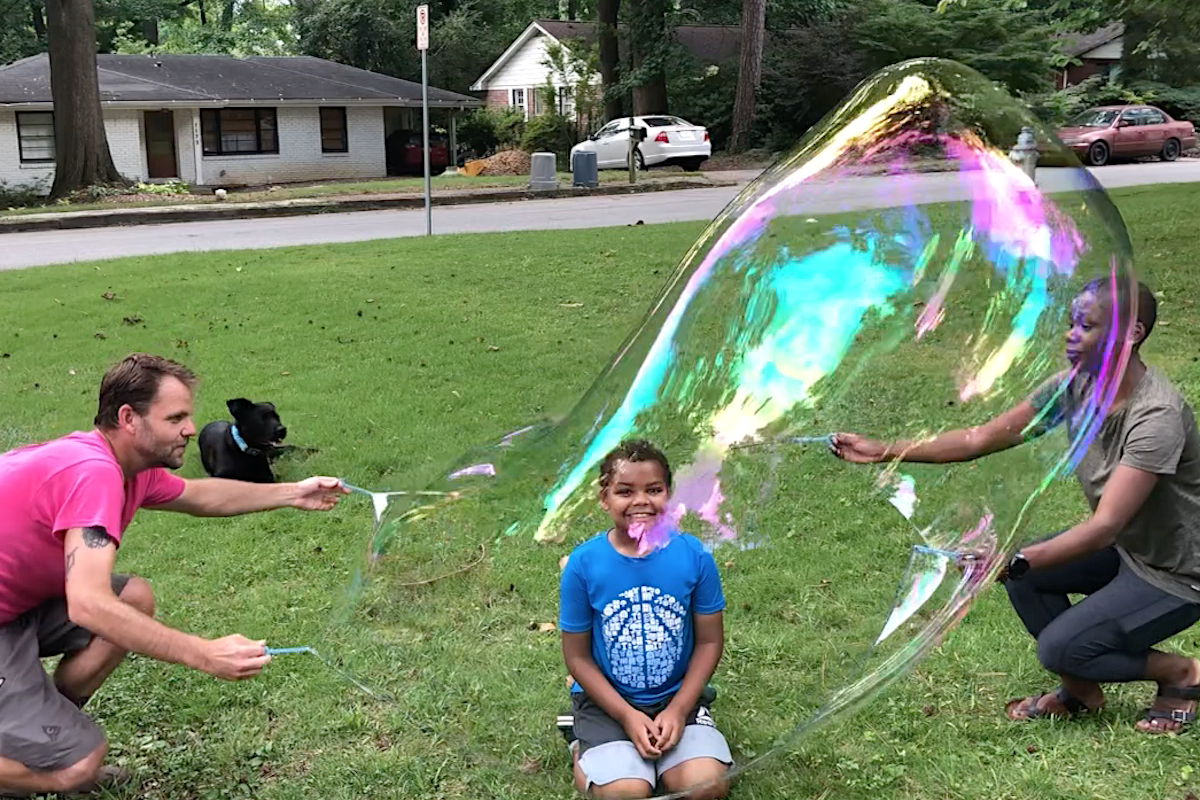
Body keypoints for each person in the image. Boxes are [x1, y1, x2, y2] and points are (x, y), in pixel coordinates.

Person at [830, 279, 1200, 733]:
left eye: (1086, 325)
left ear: (1131, 334)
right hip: (1130, 549)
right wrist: (885, 449)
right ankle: (1082, 691)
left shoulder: (1156, 416)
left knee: (1057, 643)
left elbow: (1105, 525)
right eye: (1071, 323)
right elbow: (981, 438)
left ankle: (1181, 674)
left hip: (1177, 572)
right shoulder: (1074, 387)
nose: (1070, 334)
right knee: (1029, 578)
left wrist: (1014, 559)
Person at [0, 353, 347, 796]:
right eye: (176, 417)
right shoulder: (92, 474)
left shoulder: (130, 468)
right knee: (78, 769)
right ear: (129, 418)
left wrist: (293, 492)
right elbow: (87, 604)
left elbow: (201, 496)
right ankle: (50, 765)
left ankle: (37, 737)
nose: (189, 428)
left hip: (17, 605)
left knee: (134, 597)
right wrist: (203, 654)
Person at [559, 439, 732, 800]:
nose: (641, 501)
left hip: (676, 698)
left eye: (654, 490)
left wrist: (680, 709)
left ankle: (675, 740)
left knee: (706, 787)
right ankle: (581, 742)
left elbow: (709, 641)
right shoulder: (583, 564)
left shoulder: (694, 557)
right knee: (627, 792)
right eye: (625, 491)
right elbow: (577, 657)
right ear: (604, 498)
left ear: (669, 494)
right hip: (606, 704)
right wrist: (625, 716)